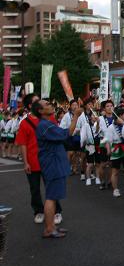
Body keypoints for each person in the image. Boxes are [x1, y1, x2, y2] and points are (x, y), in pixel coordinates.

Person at [34, 100, 81, 238]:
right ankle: (49, 229)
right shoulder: (45, 125)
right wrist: (76, 116)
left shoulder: (47, 124)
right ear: (40, 111)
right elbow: (68, 133)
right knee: (51, 197)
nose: (50, 105)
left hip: (53, 163)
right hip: (53, 165)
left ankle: (52, 226)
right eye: (46, 104)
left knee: (53, 197)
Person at [16, 94, 62, 225]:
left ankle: (57, 211)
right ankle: (38, 211)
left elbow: (56, 136)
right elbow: (23, 144)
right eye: (37, 101)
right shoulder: (24, 123)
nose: (42, 102)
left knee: (52, 187)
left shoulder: (50, 118)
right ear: (31, 106)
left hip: (49, 160)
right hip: (33, 162)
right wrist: (25, 163)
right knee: (34, 189)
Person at [103, 107, 124, 197]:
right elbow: (108, 140)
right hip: (116, 148)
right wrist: (108, 150)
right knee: (115, 171)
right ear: (119, 116)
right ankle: (115, 189)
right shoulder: (111, 127)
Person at [80, 106, 102, 186]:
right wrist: (83, 143)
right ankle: (88, 178)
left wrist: (98, 122)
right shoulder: (86, 125)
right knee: (90, 164)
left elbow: (97, 131)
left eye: (96, 115)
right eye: (93, 115)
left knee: (98, 163)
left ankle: (97, 177)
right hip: (89, 146)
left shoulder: (98, 124)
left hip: (97, 145)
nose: (94, 116)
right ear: (90, 116)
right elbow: (83, 136)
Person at [97, 100, 115, 190]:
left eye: (111, 106)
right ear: (104, 108)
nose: (110, 107)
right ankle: (102, 181)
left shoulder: (116, 118)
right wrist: (96, 124)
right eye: (107, 106)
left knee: (112, 164)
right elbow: (96, 131)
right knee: (103, 164)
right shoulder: (100, 118)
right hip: (104, 143)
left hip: (114, 143)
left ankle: (111, 181)